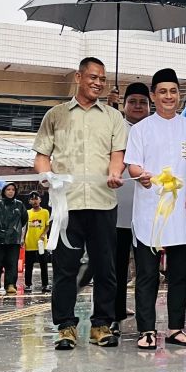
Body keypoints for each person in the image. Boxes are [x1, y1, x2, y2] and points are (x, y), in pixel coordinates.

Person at [34, 56, 128, 350]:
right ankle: (65, 327)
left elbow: (118, 155)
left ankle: (101, 325)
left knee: (105, 268)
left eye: (102, 79)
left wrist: (115, 173)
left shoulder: (114, 117)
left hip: (102, 203)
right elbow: (41, 156)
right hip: (67, 205)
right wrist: (46, 176)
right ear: (79, 77)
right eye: (93, 77)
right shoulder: (55, 115)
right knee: (65, 268)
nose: (98, 83)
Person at [125, 68, 186, 350]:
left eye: (173, 91)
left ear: (179, 96)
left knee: (179, 273)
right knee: (147, 273)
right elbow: (132, 164)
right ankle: (146, 330)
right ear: (154, 96)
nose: (168, 97)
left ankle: (175, 328)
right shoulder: (140, 129)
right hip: (149, 210)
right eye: (163, 92)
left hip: (182, 209)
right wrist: (140, 175)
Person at [112, 81, 151, 332]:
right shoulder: (115, 128)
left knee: (146, 269)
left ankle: (145, 320)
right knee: (115, 266)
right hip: (117, 210)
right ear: (124, 105)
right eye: (133, 101)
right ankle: (112, 314)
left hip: (147, 211)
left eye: (142, 102)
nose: (138, 106)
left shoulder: (153, 129)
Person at [0, 183, 28, 295]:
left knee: (12, 263)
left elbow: (24, 221)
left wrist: (19, 235)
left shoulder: (20, 205)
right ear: (3, 191)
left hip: (13, 239)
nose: (10, 192)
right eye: (8, 189)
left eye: (13, 189)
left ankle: (10, 284)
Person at [23, 191, 51, 293]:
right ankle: (28, 285)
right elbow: (24, 227)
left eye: (36, 198)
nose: (34, 201)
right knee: (29, 265)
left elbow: (47, 226)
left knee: (43, 265)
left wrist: (43, 235)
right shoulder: (27, 212)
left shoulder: (45, 212)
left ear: (40, 200)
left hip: (41, 243)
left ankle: (45, 285)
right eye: (32, 199)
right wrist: (22, 239)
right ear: (29, 201)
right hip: (29, 242)